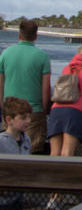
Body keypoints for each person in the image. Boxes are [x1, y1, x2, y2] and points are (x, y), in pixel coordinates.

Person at [0, 19, 51, 154]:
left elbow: (0, 82)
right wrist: (44, 109)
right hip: (34, 111)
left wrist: (2, 105)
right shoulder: (42, 56)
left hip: (9, 111)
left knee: (7, 149)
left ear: (19, 35)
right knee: (32, 151)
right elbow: (46, 88)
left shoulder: (5, 54)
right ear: (35, 36)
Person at [47, 45, 82, 157]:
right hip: (76, 111)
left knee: (54, 152)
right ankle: (65, 174)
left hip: (56, 109)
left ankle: (52, 174)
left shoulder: (67, 68)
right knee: (67, 152)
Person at [0, 97, 32, 210]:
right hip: (2, 199)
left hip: (17, 198)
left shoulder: (27, 140)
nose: (28, 121)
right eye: (23, 118)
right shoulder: (1, 141)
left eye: (29, 117)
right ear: (9, 120)